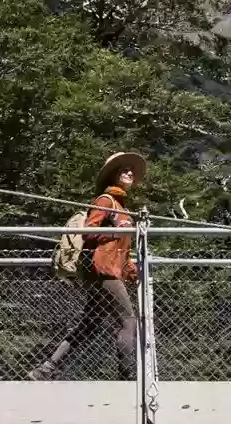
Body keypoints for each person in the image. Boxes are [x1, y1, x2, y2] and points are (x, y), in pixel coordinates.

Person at [29, 151, 147, 375]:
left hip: (108, 271)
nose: (130, 173)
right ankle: (127, 376)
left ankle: (45, 369)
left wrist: (131, 269)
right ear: (113, 174)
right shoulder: (106, 200)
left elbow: (121, 249)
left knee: (89, 326)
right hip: (104, 272)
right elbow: (88, 232)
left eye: (131, 170)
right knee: (128, 322)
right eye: (124, 170)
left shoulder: (121, 207)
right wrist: (113, 232)